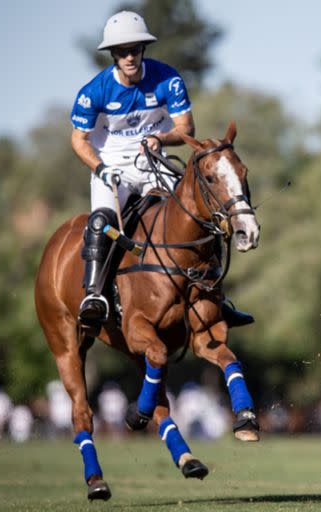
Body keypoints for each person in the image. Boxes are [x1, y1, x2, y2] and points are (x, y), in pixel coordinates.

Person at [70, 11, 253, 328]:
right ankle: (95, 293)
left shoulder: (168, 79)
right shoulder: (94, 92)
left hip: (153, 162)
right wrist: (101, 169)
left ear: (143, 49)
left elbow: (185, 127)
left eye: (135, 49)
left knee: (198, 211)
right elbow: (78, 140)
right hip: (113, 169)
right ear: (113, 54)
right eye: (122, 51)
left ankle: (217, 297)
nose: (130, 56)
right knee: (102, 221)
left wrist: (160, 137)